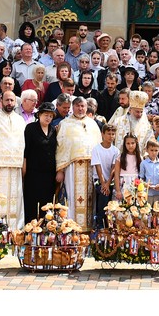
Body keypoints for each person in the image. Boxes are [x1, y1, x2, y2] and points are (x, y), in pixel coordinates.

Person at [54, 95, 102, 231]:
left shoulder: (93, 124)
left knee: (89, 200)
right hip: (71, 167)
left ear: (87, 108)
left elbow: (98, 146)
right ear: (72, 107)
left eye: (83, 106)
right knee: (72, 198)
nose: (80, 108)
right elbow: (61, 147)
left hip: (90, 167)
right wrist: (60, 170)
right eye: (78, 106)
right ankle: (71, 228)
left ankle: (88, 229)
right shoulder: (65, 124)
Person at [0, 90, 26, 229]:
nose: (9, 103)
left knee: (15, 201)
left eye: (12, 100)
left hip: (16, 167)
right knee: (0, 200)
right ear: (1, 100)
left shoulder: (20, 120)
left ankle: (16, 231)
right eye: (7, 100)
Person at [23, 103, 57, 220]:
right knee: (32, 202)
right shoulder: (31, 128)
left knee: (47, 203)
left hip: (49, 174)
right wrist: (24, 169)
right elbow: (26, 151)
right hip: (33, 173)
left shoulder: (54, 130)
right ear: (40, 115)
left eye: (51, 116)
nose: (48, 118)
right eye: (46, 115)